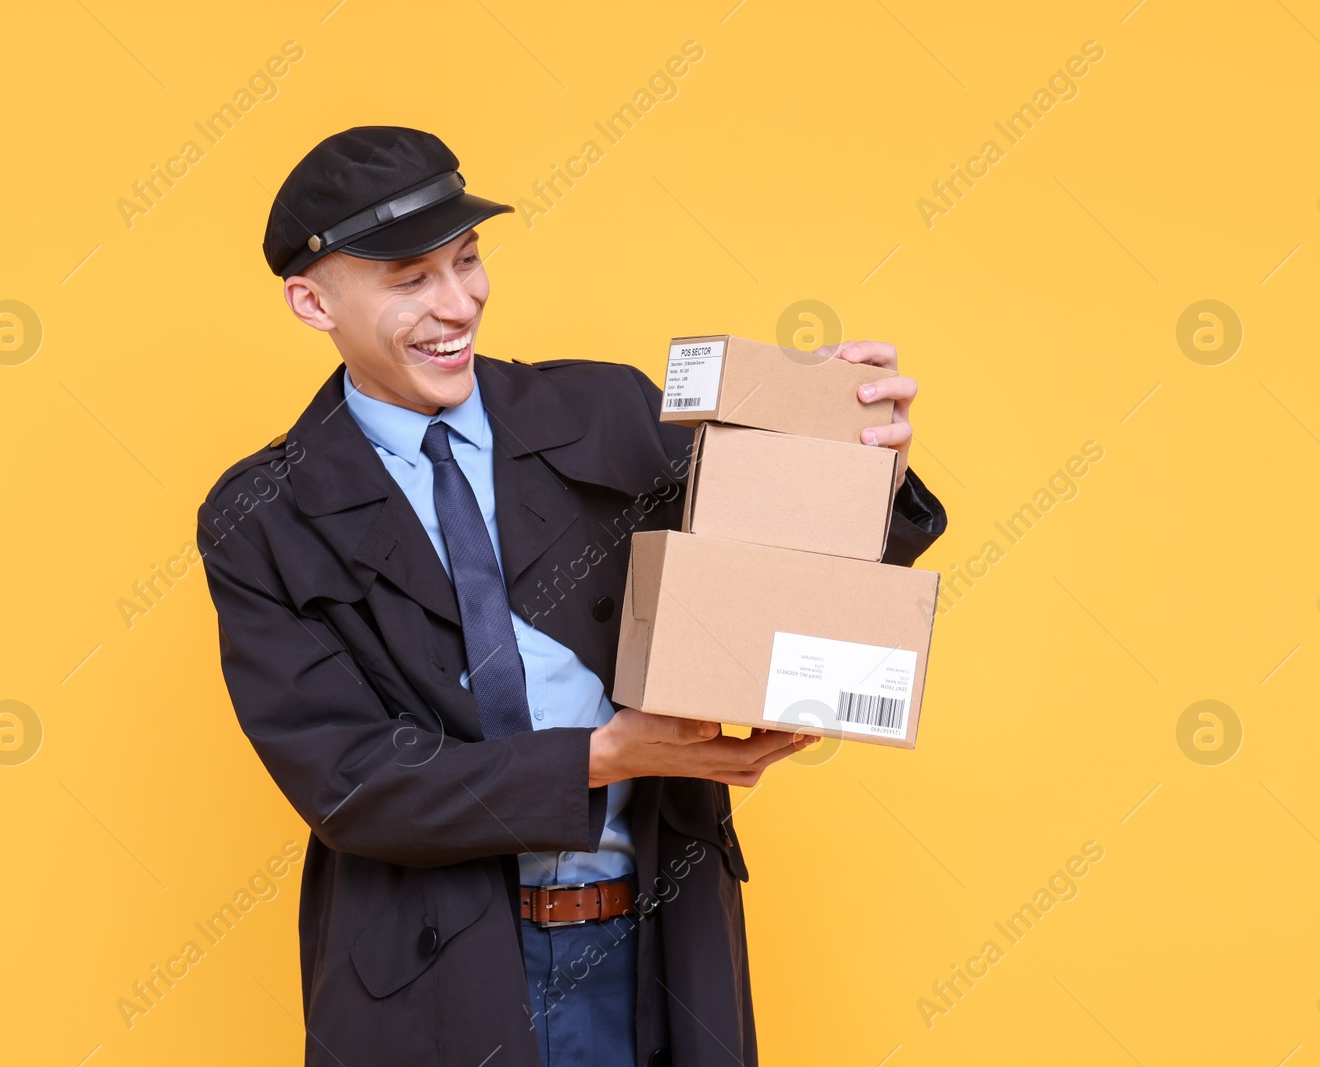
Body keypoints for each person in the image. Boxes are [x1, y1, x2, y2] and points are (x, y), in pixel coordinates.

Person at [197, 126, 946, 1067]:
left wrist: (848, 453)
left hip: (653, 949)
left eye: (467, 261)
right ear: (312, 301)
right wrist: (601, 756)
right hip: (433, 978)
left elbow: (783, 575)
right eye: (410, 279)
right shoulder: (263, 513)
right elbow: (352, 782)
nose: (457, 303)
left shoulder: (607, 411)